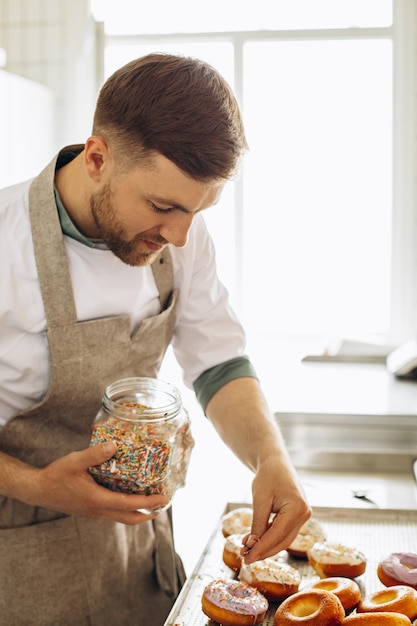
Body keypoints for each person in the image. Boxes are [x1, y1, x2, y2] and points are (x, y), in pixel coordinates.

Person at [0, 53, 310, 625]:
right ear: (98, 158)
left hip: (133, 557)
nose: (179, 235)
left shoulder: (182, 231)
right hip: (17, 554)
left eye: (199, 209)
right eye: (163, 206)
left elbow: (217, 361)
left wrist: (271, 458)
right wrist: (39, 485)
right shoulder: (4, 241)